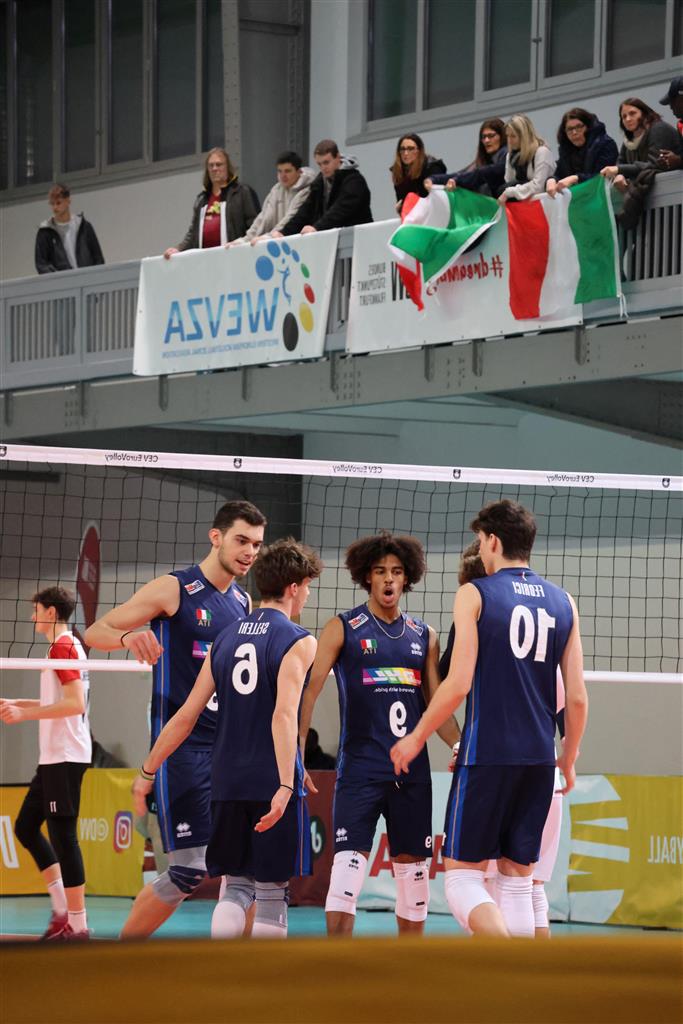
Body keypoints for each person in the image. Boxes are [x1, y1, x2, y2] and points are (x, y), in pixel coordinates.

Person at [391, 499, 588, 939]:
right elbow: (577, 698)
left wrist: (417, 736)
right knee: (517, 882)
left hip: (488, 755)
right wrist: (569, 758)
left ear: (493, 541)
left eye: (480, 541)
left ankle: (505, 961)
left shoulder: (475, 594)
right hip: (540, 761)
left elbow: (458, 684)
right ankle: (519, 978)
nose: (480, 550)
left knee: (461, 878)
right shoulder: (565, 602)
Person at [84, 500, 266, 938]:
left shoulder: (243, 601)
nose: (249, 552)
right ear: (216, 537)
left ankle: (246, 968)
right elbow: (95, 632)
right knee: (188, 871)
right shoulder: (175, 589)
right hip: (182, 750)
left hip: (230, 753)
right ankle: (118, 961)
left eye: (257, 545)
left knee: (250, 871)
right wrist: (129, 637)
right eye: (242, 540)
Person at [132, 538, 322, 940]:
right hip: (269, 778)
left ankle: (221, 969)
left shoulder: (225, 637)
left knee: (236, 886)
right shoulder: (299, 639)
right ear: (294, 587)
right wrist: (287, 781)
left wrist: (148, 770)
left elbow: (186, 715)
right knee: (271, 891)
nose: (307, 595)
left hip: (225, 780)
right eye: (307, 587)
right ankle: (265, 979)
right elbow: (283, 715)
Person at [299, 531, 460, 937]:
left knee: (414, 881)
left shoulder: (424, 636)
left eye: (397, 571)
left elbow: (437, 704)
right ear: (366, 577)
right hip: (361, 772)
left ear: (407, 578)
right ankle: (339, 966)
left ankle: (409, 966)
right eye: (380, 571)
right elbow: (309, 691)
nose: (389, 579)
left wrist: (459, 744)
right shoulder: (342, 628)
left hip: (412, 776)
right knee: (346, 876)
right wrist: (296, 754)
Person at [0, 587, 92, 940]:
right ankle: (61, 911)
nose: (32, 616)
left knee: (64, 839)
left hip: (65, 756)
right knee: (25, 827)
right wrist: (18, 703)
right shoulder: (65, 646)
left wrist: (24, 716)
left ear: (51, 612)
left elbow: (75, 704)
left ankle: (78, 927)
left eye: (36, 610)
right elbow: (58, 699)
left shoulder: (63, 647)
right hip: (54, 756)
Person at [164, 148, 260, 257]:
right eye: (211, 165)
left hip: (235, 257)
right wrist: (178, 249)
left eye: (219, 164)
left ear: (227, 167)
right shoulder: (201, 199)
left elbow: (256, 226)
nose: (214, 168)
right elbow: (193, 235)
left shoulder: (242, 192)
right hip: (205, 261)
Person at [276, 139, 372, 237]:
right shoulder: (319, 183)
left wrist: (317, 228)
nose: (323, 167)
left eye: (326, 162)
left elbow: (340, 210)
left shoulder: (354, 181)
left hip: (359, 238)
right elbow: (305, 211)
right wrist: (283, 232)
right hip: (335, 238)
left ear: (338, 157)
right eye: (319, 164)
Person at [230, 151, 317, 245]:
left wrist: (270, 236)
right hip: (277, 241)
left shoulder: (307, 191)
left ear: (299, 172)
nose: (283, 176)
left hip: (297, 243)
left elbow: (291, 218)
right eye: (279, 171)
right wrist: (246, 239)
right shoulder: (276, 189)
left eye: (287, 171)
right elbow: (263, 218)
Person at [600, 97, 682, 190]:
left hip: (673, 187)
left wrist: (619, 170)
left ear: (645, 113)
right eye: (624, 117)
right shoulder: (629, 139)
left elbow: (654, 164)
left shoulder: (659, 129)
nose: (628, 119)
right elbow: (621, 162)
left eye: (632, 113)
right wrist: (620, 175)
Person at [546, 108, 618, 198]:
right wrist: (552, 180)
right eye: (569, 129)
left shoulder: (605, 144)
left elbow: (602, 176)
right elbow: (560, 174)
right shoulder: (565, 150)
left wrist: (576, 178)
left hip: (606, 198)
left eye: (579, 127)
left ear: (588, 127)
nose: (574, 132)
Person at [35, 183, 104, 274]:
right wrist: (57, 278)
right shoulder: (45, 231)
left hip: (87, 279)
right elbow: (41, 264)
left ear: (68, 201)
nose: (55, 207)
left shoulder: (84, 226)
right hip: (62, 281)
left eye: (58, 203)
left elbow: (98, 258)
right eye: (52, 203)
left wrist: (95, 277)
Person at [427, 118, 507, 197]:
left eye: (491, 136)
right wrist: (433, 179)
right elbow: (461, 175)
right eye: (483, 137)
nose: (486, 140)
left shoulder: (506, 156)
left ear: (502, 136)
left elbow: (478, 174)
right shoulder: (482, 163)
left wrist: (457, 180)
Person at [390, 133, 446, 213]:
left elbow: (440, 197)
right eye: (402, 149)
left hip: (435, 212)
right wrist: (400, 208)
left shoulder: (431, 167)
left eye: (410, 149)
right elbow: (401, 200)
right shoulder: (398, 171)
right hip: (413, 214)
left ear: (419, 151)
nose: (406, 153)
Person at [659, 75, 683, 169]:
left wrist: (679, 160)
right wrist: (669, 161)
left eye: (672, 101)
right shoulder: (681, 125)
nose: (671, 107)